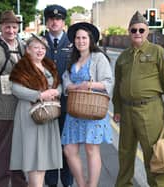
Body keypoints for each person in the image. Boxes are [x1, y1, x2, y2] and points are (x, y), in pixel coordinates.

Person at [112, 11, 164, 187]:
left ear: (147, 32)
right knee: (125, 153)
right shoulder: (123, 57)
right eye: (134, 30)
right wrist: (117, 109)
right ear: (129, 32)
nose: (137, 33)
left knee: (154, 154)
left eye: (141, 30)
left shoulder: (157, 52)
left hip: (151, 110)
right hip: (126, 111)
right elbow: (118, 86)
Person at [62, 22, 114, 187]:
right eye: (78, 38)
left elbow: (108, 83)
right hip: (74, 112)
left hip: (93, 110)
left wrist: (89, 85)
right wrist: (73, 87)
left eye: (84, 38)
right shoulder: (73, 59)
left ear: (90, 40)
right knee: (69, 150)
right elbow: (65, 83)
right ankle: (82, 184)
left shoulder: (98, 58)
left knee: (91, 150)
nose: (80, 41)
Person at [9, 34, 63, 187]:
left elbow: (58, 84)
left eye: (43, 48)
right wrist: (39, 95)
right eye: (36, 47)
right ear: (28, 50)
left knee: (43, 159)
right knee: (33, 157)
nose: (40, 51)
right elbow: (15, 89)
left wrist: (56, 91)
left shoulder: (49, 65)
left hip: (48, 114)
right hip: (29, 113)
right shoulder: (22, 66)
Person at [0, 10, 27, 187]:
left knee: (20, 149)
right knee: (3, 149)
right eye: (7, 26)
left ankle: (19, 182)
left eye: (14, 27)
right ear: (0, 27)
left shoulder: (23, 46)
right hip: (3, 107)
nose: (10, 30)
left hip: (22, 106)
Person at [43, 4, 74, 187]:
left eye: (59, 19)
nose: (55, 22)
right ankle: (51, 182)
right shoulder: (39, 43)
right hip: (45, 104)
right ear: (47, 21)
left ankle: (67, 182)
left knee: (67, 145)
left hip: (68, 104)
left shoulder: (73, 43)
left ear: (63, 22)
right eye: (51, 19)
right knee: (48, 146)